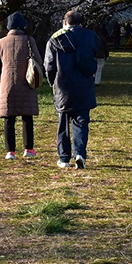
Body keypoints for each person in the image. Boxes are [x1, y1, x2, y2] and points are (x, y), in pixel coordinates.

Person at [44, 10, 99, 169]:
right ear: (80, 23)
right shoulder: (90, 36)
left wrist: (51, 81)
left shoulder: (54, 39)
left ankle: (64, 158)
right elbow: (97, 55)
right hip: (83, 85)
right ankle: (80, 153)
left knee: (63, 123)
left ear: (64, 22)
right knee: (81, 122)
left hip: (63, 86)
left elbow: (49, 65)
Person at [0, 12, 42, 160]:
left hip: (7, 84)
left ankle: (10, 151)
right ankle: (29, 149)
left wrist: (2, 81)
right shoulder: (29, 40)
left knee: (9, 118)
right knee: (27, 117)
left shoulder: (1, 42)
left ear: (8, 27)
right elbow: (38, 61)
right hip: (26, 82)